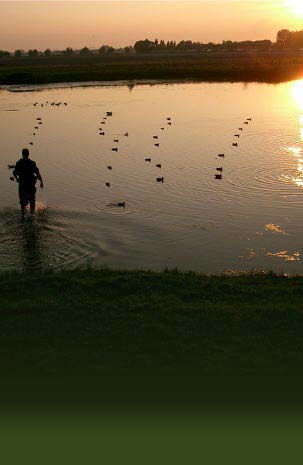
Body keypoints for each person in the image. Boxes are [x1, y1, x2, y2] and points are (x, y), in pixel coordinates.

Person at [13, 148, 44, 219]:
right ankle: (32, 215)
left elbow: (14, 173)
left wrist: (17, 179)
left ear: (22, 154)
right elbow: (37, 173)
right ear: (28, 154)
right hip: (30, 185)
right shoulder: (32, 163)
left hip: (22, 185)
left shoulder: (19, 163)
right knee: (32, 201)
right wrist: (41, 181)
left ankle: (23, 216)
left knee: (22, 201)